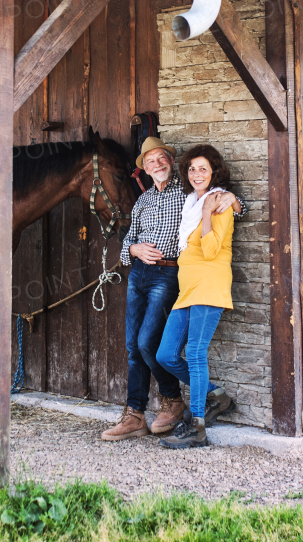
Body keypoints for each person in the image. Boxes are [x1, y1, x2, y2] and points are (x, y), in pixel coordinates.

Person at [100, 137, 243, 442]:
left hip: (170, 274)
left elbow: (229, 206)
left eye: (161, 158)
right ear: (145, 169)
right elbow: (126, 241)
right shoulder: (145, 200)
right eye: (150, 161)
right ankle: (135, 414)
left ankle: (176, 404)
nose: (157, 165)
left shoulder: (188, 191)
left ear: (169, 161)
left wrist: (234, 200)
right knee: (134, 346)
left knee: (149, 343)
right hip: (142, 273)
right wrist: (134, 249)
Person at [156, 144, 237, 449]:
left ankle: (198, 427)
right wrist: (200, 209)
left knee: (195, 353)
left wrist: (206, 214)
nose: (196, 174)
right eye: (192, 168)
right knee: (165, 354)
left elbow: (212, 249)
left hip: (209, 285)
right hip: (188, 290)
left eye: (203, 168)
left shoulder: (217, 203)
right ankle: (215, 395)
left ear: (214, 171)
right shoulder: (191, 202)